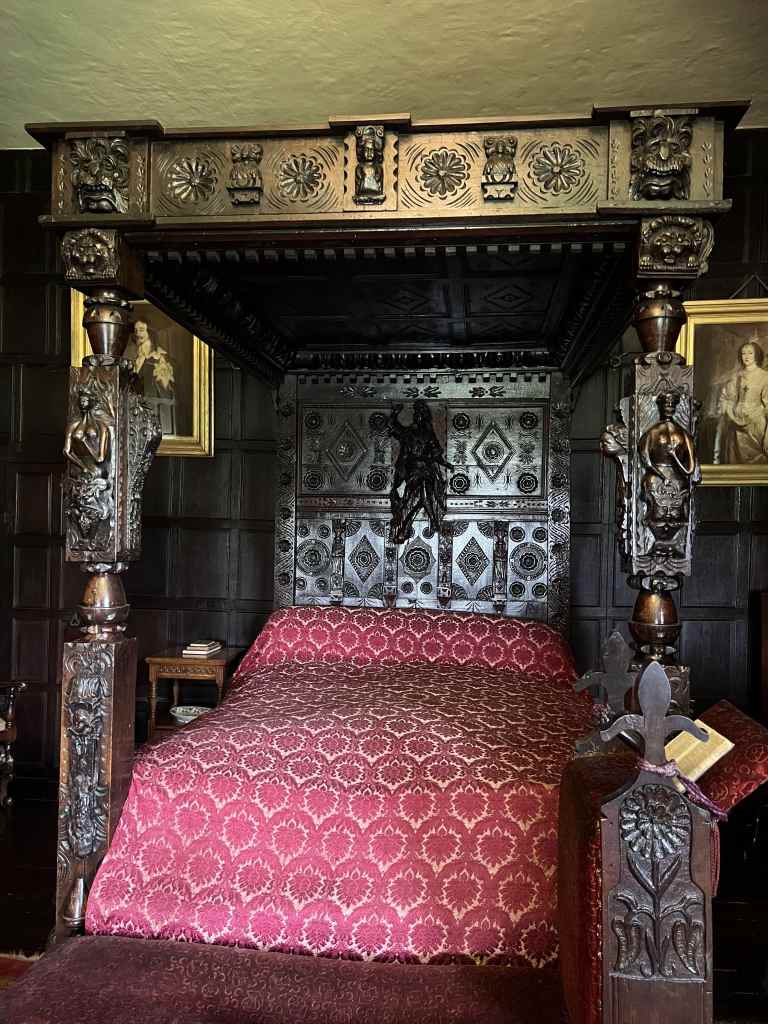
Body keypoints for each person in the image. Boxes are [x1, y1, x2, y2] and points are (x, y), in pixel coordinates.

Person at [714, 339, 768, 465]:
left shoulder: (765, 377)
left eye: (750, 353)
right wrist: (727, 408)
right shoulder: (736, 376)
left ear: (757, 355)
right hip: (736, 430)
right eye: (743, 353)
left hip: (756, 429)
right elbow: (726, 397)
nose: (746, 356)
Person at [129, 320, 176, 436]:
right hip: (138, 415)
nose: (137, 334)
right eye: (135, 331)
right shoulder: (136, 359)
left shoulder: (160, 359)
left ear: (150, 332)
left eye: (141, 330)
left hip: (157, 413)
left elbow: (167, 390)